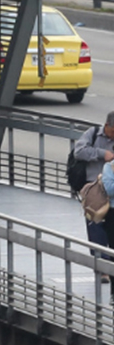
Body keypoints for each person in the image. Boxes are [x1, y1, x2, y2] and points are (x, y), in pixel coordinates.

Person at [74, 112, 114, 281]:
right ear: (107, 126)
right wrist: (101, 154)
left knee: (110, 230)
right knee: (95, 227)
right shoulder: (92, 133)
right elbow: (79, 151)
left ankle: (110, 265)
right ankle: (101, 268)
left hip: (112, 189)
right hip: (95, 189)